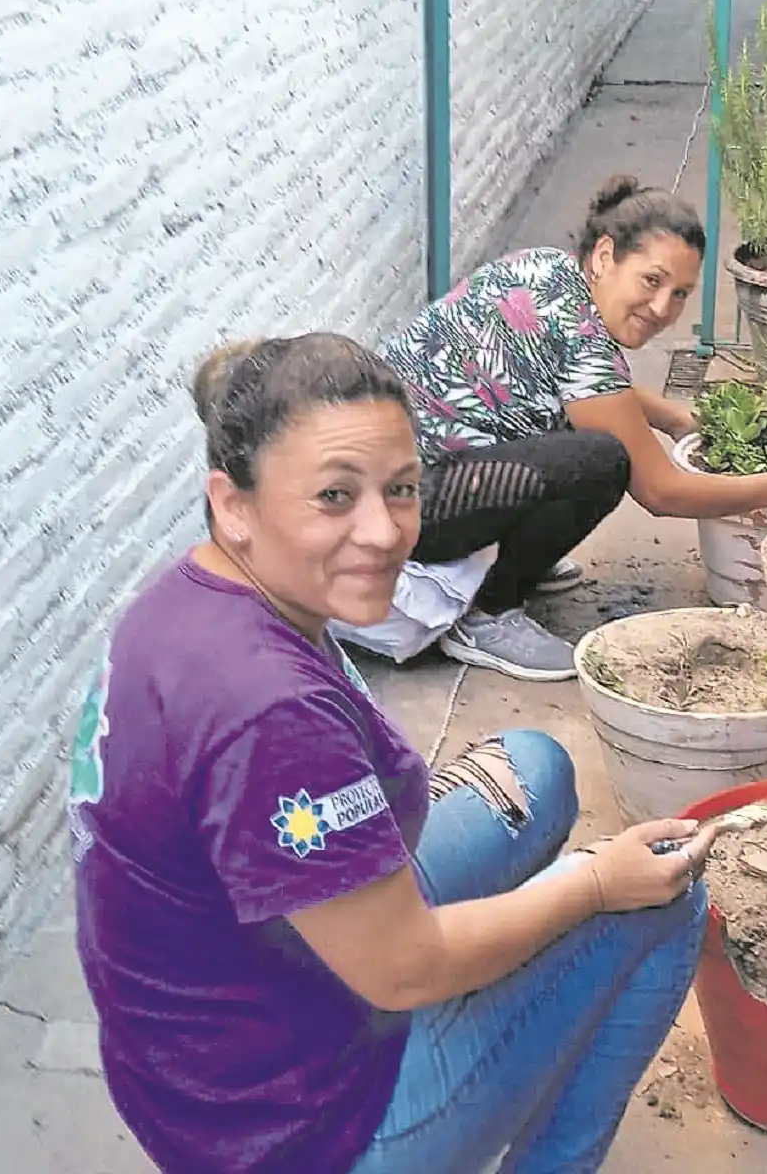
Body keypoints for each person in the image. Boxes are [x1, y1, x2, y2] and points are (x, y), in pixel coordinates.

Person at [70, 331, 723, 1174]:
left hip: (226, 1006)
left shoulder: (197, 597)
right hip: (289, 1128)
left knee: (537, 766)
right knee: (665, 896)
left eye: (403, 489)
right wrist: (595, 883)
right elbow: (404, 970)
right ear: (233, 503)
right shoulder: (267, 709)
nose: (383, 532)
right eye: (335, 496)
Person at [380, 174, 767, 682]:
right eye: (652, 280)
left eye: (681, 293)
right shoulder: (581, 334)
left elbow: (590, 384)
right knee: (602, 463)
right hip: (408, 510)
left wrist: (672, 417)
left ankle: (518, 553)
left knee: (586, 444)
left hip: (394, 479)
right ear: (604, 256)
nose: (663, 308)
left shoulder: (549, 270)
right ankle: (488, 613)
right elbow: (662, 492)